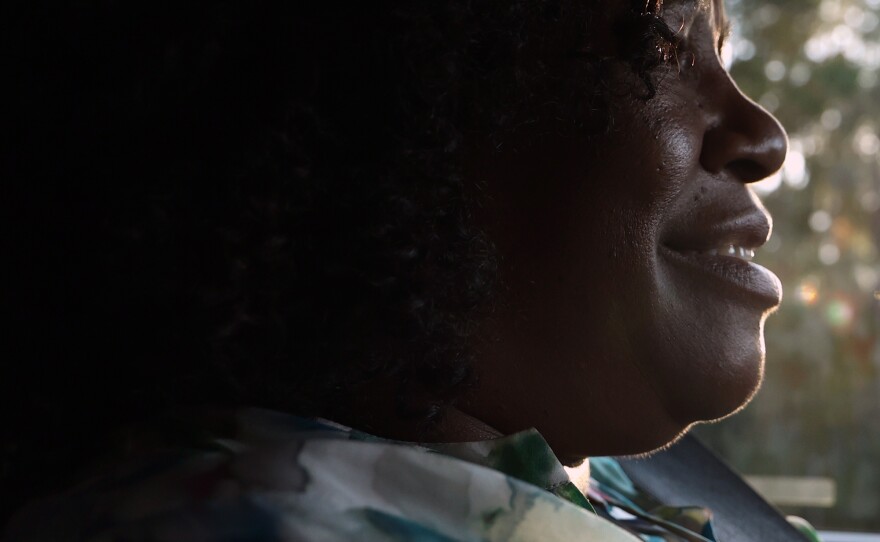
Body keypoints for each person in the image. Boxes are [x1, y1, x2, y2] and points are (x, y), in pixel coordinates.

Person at [1, 0, 817, 540]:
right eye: (663, 37)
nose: (763, 136)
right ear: (419, 97)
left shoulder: (605, 486)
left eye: (720, 50)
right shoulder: (268, 523)